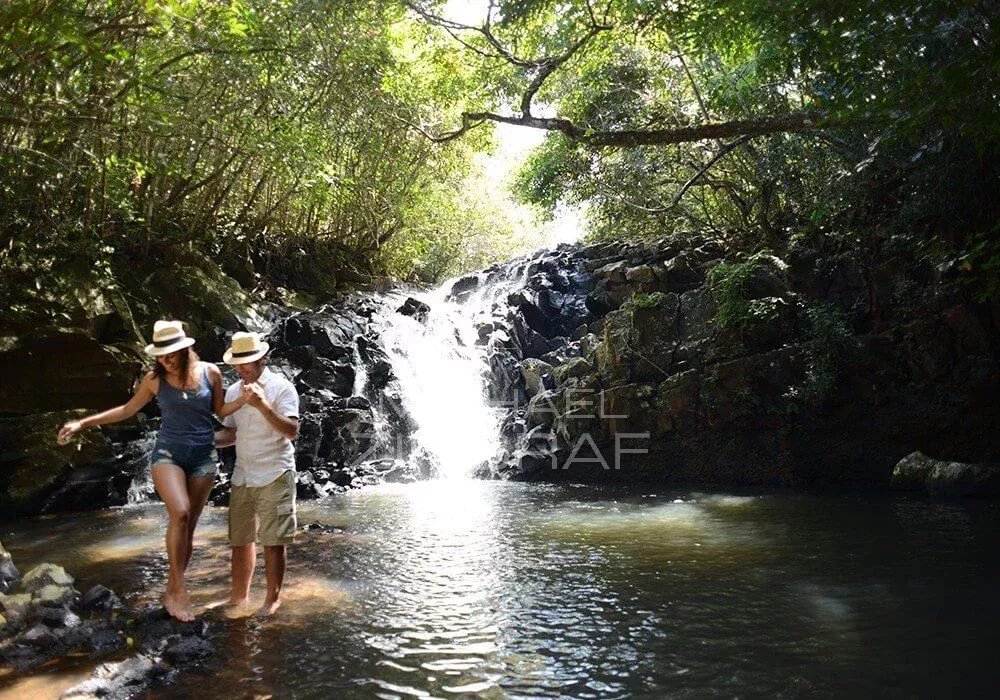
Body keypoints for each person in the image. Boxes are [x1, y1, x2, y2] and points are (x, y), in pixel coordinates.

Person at [57, 320, 248, 622]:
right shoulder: (153, 379)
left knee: (191, 525)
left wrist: (246, 403)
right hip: (168, 453)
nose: (165, 359)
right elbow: (126, 410)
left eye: (171, 353)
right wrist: (82, 422)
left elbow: (220, 411)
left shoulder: (210, 373)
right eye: (160, 354)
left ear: (185, 349)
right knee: (181, 513)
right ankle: (180, 588)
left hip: (203, 456)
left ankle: (172, 588)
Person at [215, 331, 299, 617]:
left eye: (247, 362)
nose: (241, 368)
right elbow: (231, 433)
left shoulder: (281, 388)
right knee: (240, 540)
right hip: (243, 475)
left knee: (273, 541)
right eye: (237, 363)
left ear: (263, 358)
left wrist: (261, 404)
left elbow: (291, 431)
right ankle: (239, 597)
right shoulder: (232, 391)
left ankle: (272, 599)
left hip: (275, 472)